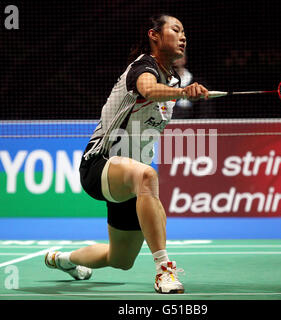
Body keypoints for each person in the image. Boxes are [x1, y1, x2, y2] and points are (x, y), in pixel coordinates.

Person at [44, 14, 209, 294]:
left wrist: (178, 88)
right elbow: (146, 88)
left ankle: (61, 259)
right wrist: (181, 92)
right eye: (176, 30)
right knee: (147, 175)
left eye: (185, 32)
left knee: (120, 260)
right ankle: (164, 271)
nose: (183, 37)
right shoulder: (143, 67)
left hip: (129, 176)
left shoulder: (172, 77)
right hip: (100, 164)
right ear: (154, 35)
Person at [172, 54, 216, 119]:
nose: (174, 60)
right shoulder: (161, 84)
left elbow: (206, 111)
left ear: (184, 59)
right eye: (170, 56)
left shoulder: (200, 84)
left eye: (177, 56)